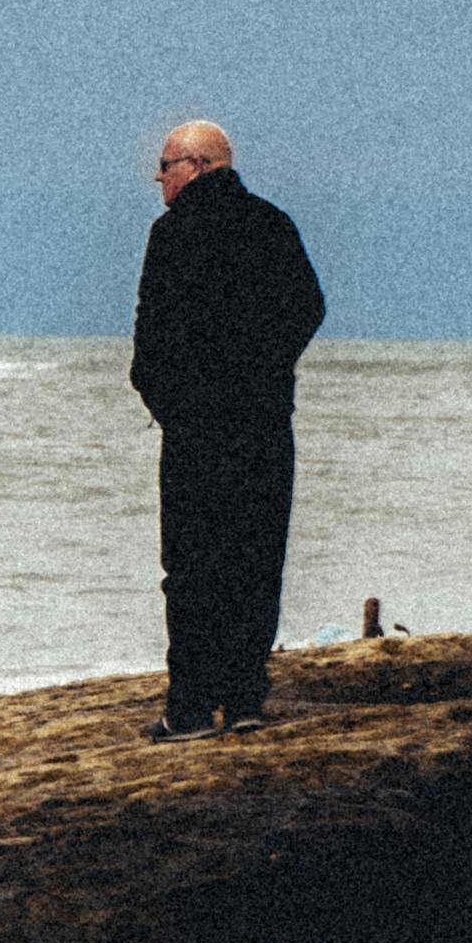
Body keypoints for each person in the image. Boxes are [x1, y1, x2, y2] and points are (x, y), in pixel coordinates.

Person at [128, 117, 326, 736]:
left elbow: (150, 332)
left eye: (164, 166)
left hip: (196, 431)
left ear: (197, 166)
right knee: (254, 560)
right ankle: (243, 699)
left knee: (191, 567)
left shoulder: (173, 232)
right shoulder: (272, 222)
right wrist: (265, 373)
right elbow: (308, 307)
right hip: (263, 424)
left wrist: (169, 397)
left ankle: (189, 705)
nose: (158, 179)